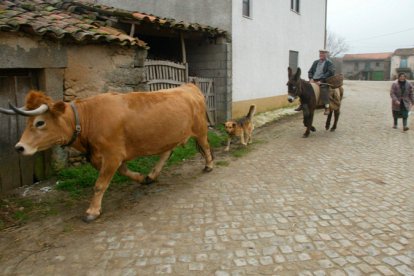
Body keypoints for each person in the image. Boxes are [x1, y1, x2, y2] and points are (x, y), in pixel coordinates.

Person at [294, 49, 335, 115]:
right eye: (320, 53)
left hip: (322, 81)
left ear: (326, 54)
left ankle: (327, 107)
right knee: (303, 88)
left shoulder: (329, 63)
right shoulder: (316, 62)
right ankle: (302, 104)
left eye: (323, 53)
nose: (321, 54)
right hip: (314, 80)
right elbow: (310, 71)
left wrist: (321, 80)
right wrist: (311, 78)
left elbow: (330, 73)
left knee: (324, 90)